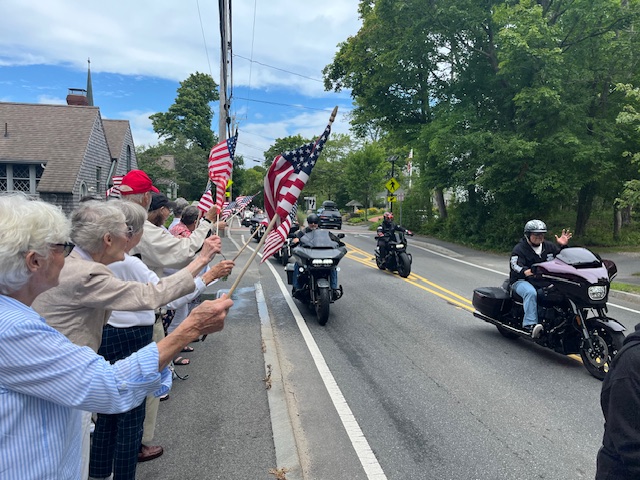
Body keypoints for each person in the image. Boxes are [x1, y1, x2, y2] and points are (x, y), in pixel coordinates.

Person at [0, 193, 232, 480]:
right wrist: (190, 329)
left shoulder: (21, 311)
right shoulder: (18, 327)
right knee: (124, 422)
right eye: (61, 246)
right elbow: (109, 387)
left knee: (102, 431)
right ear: (34, 261)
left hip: (60, 405)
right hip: (45, 441)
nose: (68, 253)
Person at [89, 201, 234, 480]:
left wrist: (204, 269)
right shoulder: (129, 263)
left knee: (107, 413)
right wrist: (208, 272)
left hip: (108, 334)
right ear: (128, 234)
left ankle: (99, 473)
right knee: (131, 416)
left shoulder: (99, 259)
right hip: (133, 337)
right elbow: (168, 297)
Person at [119, 169, 226, 458]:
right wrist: (206, 259)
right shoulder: (135, 230)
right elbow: (180, 256)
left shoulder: (116, 224)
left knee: (117, 388)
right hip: (138, 316)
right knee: (144, 382)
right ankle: (138, 445)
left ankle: (109, 456)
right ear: (144, 198)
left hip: (115, 317)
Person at [509, 219, 572, 338]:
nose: (539, 237)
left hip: (543, 281)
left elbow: (563, 259)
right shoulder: (520, 248)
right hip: (522, 281)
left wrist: (563, 246)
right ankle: (530, 325)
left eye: (541, 234)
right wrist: (526, 271)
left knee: (563, 291)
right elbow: (515, 265)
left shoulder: (549, 246)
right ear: (528, 235)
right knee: (530, 293)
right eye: (536, 234)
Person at [595, 323, 640, 479]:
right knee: (531, 296)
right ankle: (530, 324)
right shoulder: (632, 363)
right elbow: (630, 442)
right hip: (624, 472)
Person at [291, 213, 342, 297]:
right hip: (309, 255)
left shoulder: (323, 233)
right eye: (311, 222)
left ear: (318, 223)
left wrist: (337, 241)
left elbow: (332, 239)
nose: (313, 224)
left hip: (322, 255)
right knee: (298, 264)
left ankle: (334, 288)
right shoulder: (303, 232)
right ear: (308, 223)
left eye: (315, 222)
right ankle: (297, 287)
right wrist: (295, 240)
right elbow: (296, 238)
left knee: (333, 268)